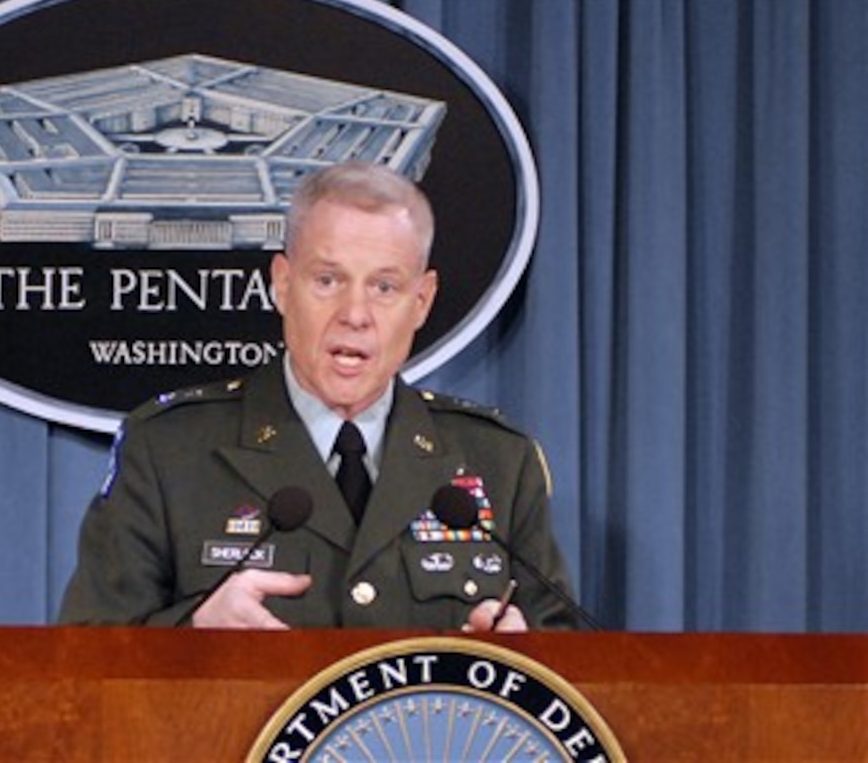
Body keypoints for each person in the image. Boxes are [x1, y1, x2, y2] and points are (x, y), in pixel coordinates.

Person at [59, 160, 578, 631]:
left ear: (422, 302)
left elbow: (571, 664)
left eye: (384, 287)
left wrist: (526, 655)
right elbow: (82, 661)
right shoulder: (169, 450)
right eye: (328, 280)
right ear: (282, 285)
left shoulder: (497, 463)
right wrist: (193, 633)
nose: (355, 314)